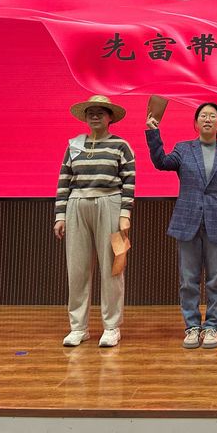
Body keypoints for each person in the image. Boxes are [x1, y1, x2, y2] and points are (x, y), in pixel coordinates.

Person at [145, 102, 217, 350]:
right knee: (188, 280)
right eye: (203, 115)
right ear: (195, 123)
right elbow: (161, 162)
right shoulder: (183, 149)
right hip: (187, 223)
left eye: (212, 116)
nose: (207, 119)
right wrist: (153, 132)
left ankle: (212, 326)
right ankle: (192, 326)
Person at [54, 95, 135, 348]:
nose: (95, 116)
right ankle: (78, 327)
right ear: (85, 118)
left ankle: (111, 327)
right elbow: (64, 179)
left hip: (110, 203)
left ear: (110, 118)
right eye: (91, 113)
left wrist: (125, 213)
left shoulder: (121, 145)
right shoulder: (74, 146)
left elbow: (129, 181)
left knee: (112, 267)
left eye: (101, 112)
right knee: (77, 269)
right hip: (77, 204)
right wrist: (60, 215)